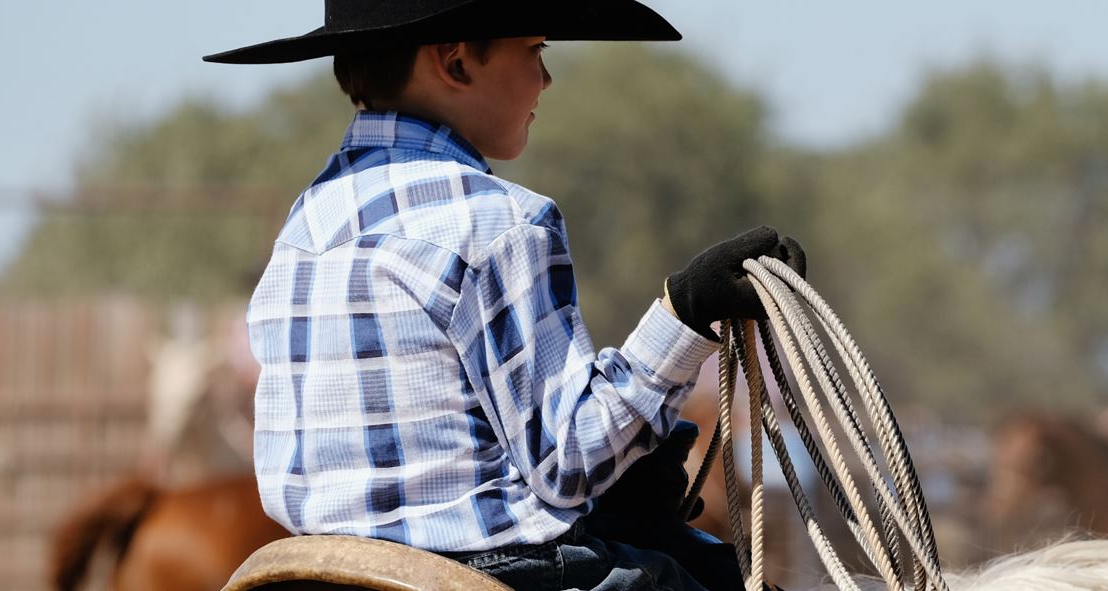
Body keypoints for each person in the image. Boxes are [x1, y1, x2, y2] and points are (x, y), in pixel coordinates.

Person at [204, 1, 805, 588]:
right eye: (535, 50)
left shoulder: (304, 224)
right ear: (456, 61)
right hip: (495, 567)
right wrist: (685, 312)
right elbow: (570, 460)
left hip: (313, 565)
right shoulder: (499, 222)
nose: (546, 77)